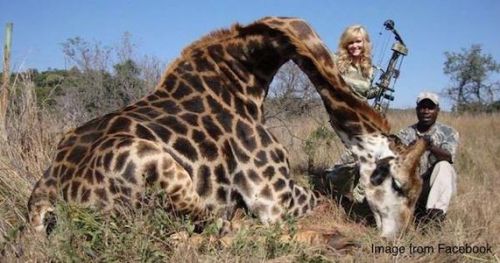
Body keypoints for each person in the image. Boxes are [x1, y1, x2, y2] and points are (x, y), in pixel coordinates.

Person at [396, 92, 459, 225]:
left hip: (430, 187)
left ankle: (435, 217)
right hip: (409, 187)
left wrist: (428, 146)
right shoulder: (404, 134)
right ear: (417, 110)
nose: (426, 111)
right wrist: (410, 150)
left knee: (444, 166)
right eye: (422, 107)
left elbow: (448, 156)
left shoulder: (449, 132)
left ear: (437, 110)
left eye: (430, 107)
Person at [334, 24, 380, 100]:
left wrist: (378, 91)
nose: (355, 46)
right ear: (346, 44)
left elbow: (366, 94)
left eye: (358, 41)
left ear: (365, 43)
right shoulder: (337, 60)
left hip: (360, 110)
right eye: (351, 43)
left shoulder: (370, 69)